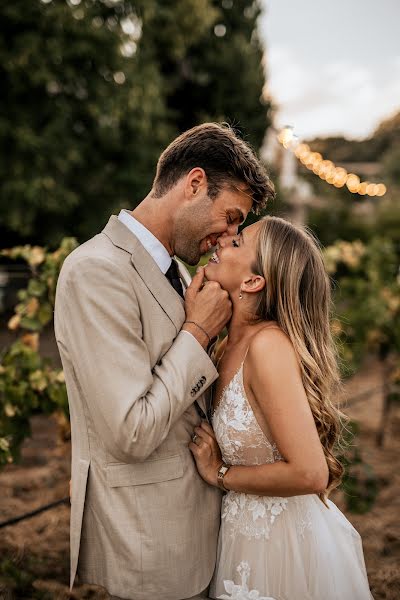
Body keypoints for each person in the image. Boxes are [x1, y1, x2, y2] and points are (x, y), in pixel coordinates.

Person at [54, 123, 275, 600]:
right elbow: (131, 431)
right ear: (194, 184)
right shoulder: (97, 271)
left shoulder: (175, 268)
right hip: (150, 539)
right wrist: (198, 332)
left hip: (203, 530)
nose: (229, 237)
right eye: (231, 217)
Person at [190, 216, 374, 600]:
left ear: (253, 282)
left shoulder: (267, 347)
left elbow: (310, 473)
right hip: (240, 537)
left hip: (282, 548)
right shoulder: (226, 345)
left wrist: (219, 473)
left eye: (237, 243)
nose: (222, 243)